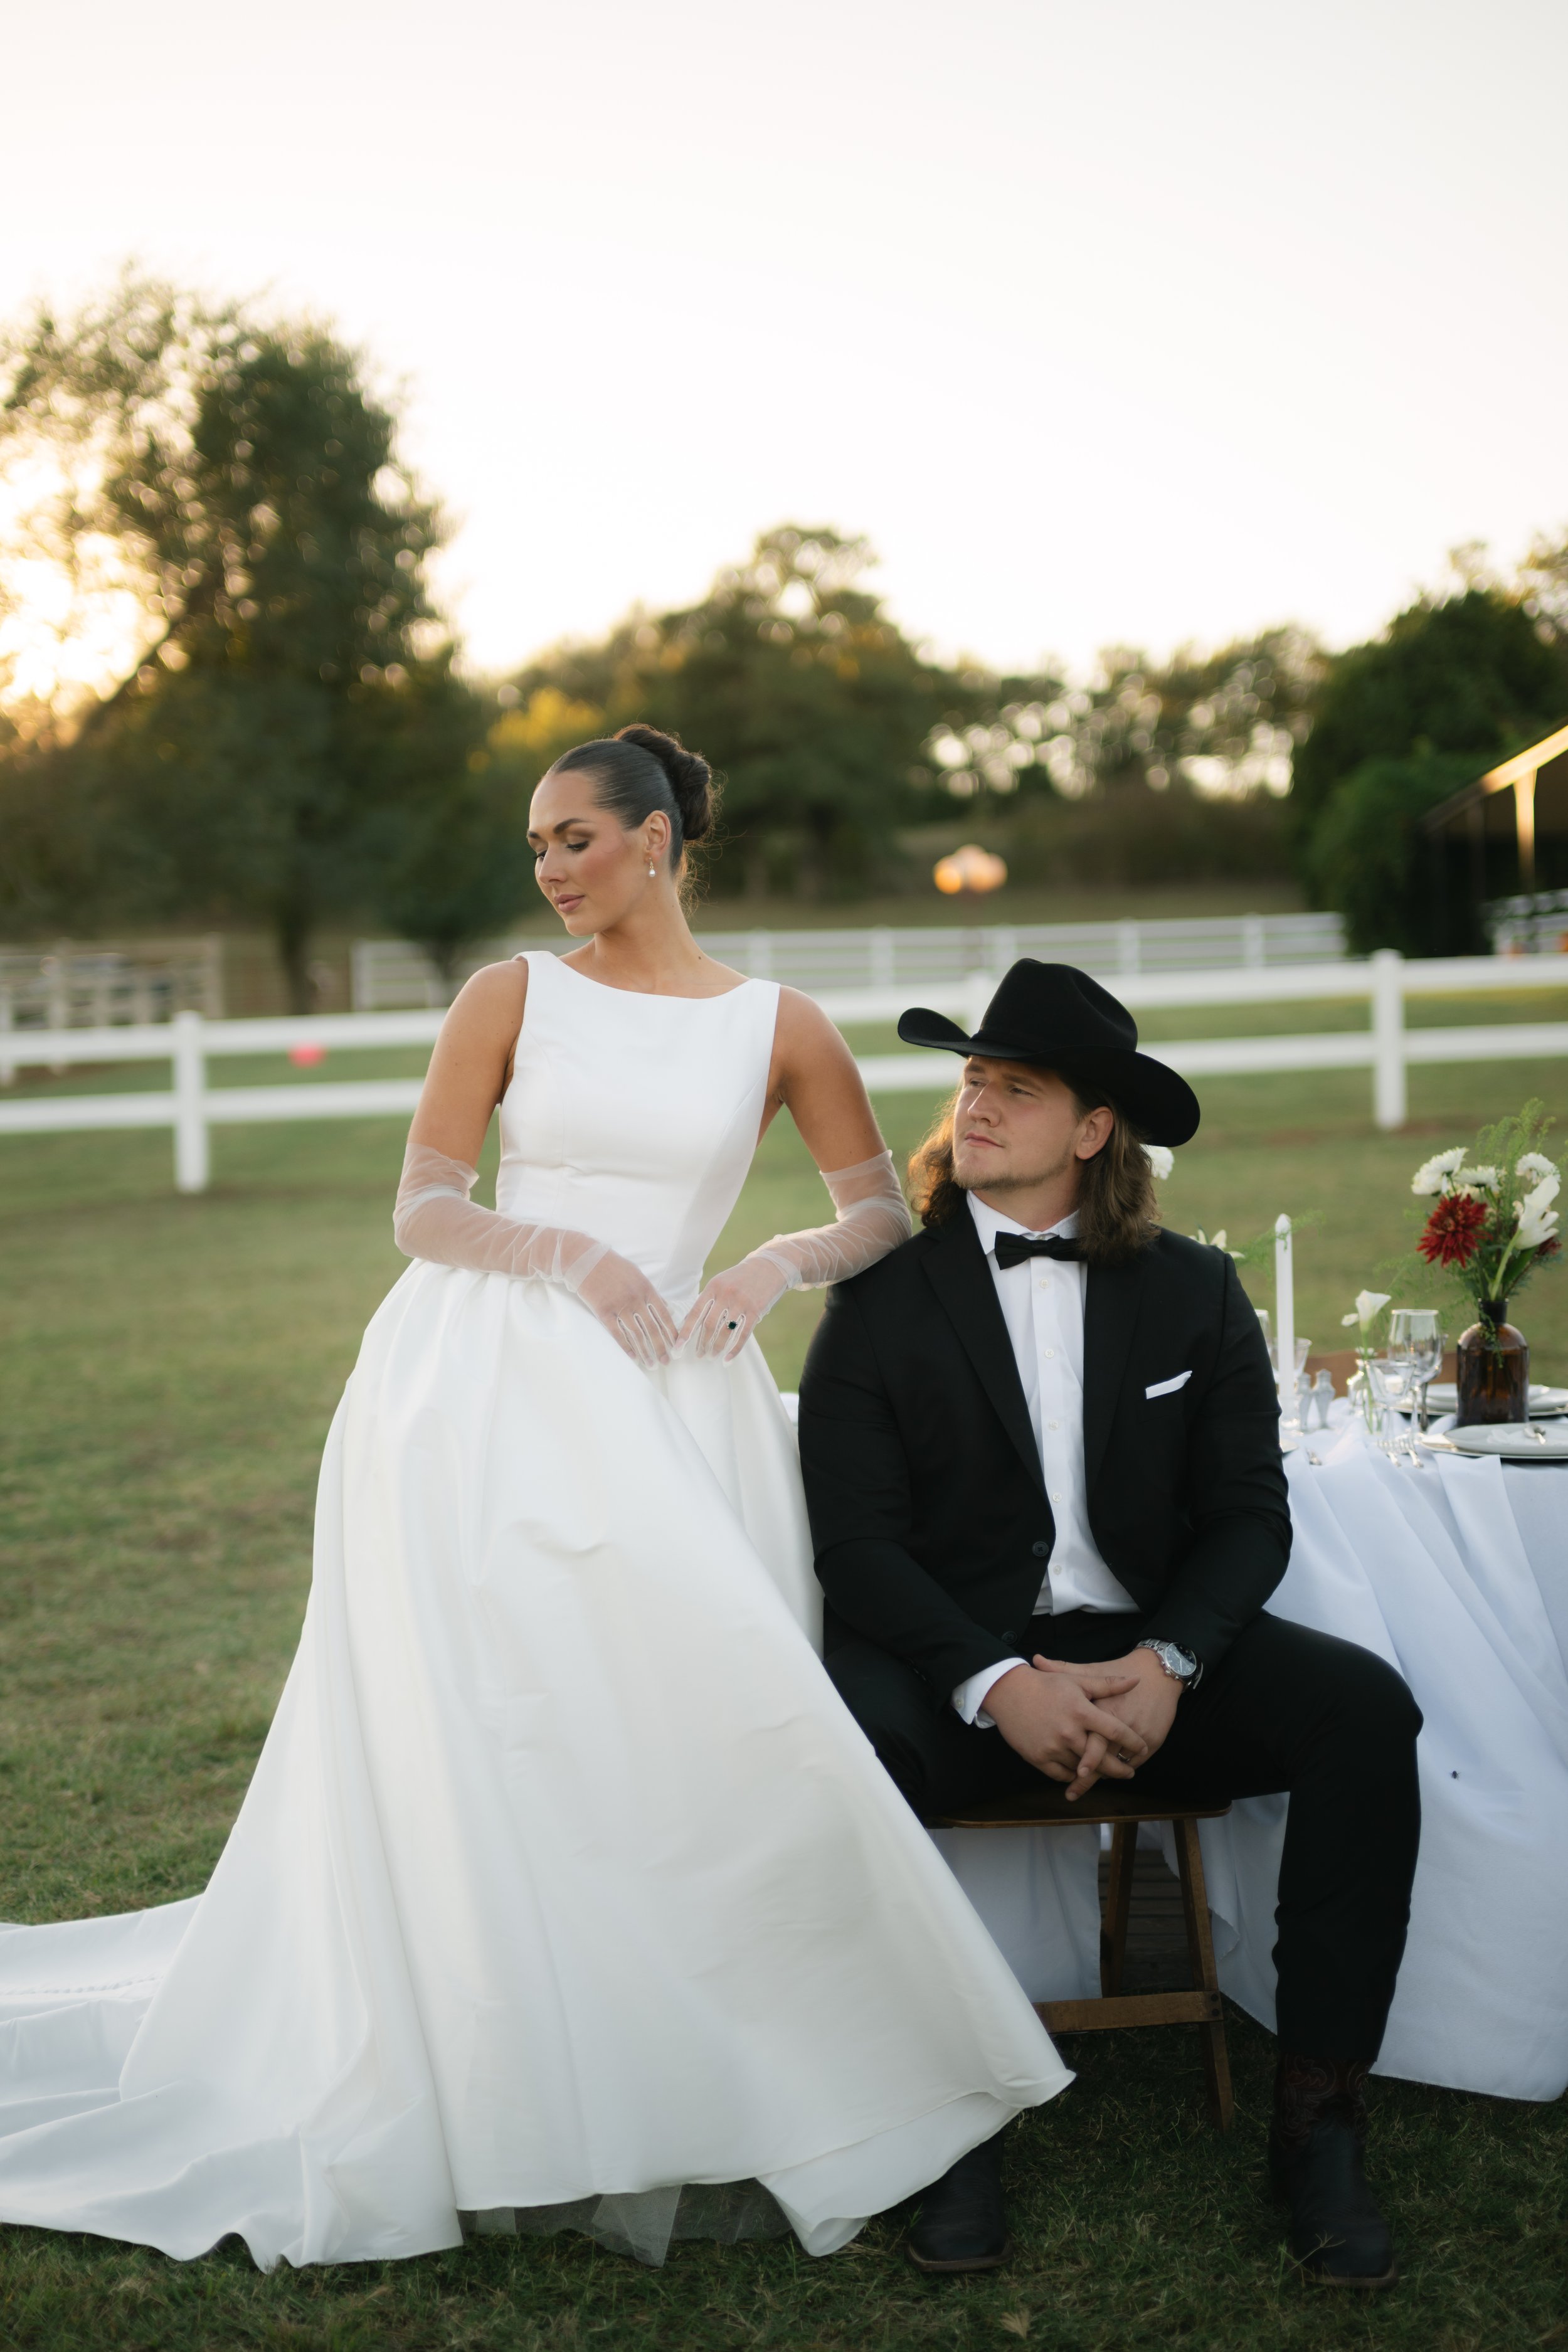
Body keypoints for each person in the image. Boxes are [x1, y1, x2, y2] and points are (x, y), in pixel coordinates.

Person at [0, 727, 1072, 2272]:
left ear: (656, 840)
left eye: (574, 837)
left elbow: (877, 1215)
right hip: (478, 1392)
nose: (552, 869)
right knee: (497, 1720)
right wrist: (557, 1250)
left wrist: (764, 1268)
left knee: (692, 1725)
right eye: (536, 847)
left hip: (676, 1394)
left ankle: (727, 2051)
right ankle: (489, 2069)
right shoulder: (506, 994)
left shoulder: (777, 1025)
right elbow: (422, 1204)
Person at [797, 960, 1423, 2287]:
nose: (975, 1107)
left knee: (1362, 1713)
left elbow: (1249, 1512)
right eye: (969, 1080)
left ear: (1092, 1130)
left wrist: (1170, 1664)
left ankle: (1317, 2126)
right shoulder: (876, 1302)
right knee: (845, 1742)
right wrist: (991, 1681)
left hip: (1147, 1658)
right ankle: (942, 2125)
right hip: (955, 1676)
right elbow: (854, 1549)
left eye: (1013, 1088)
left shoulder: (1192, 1290)